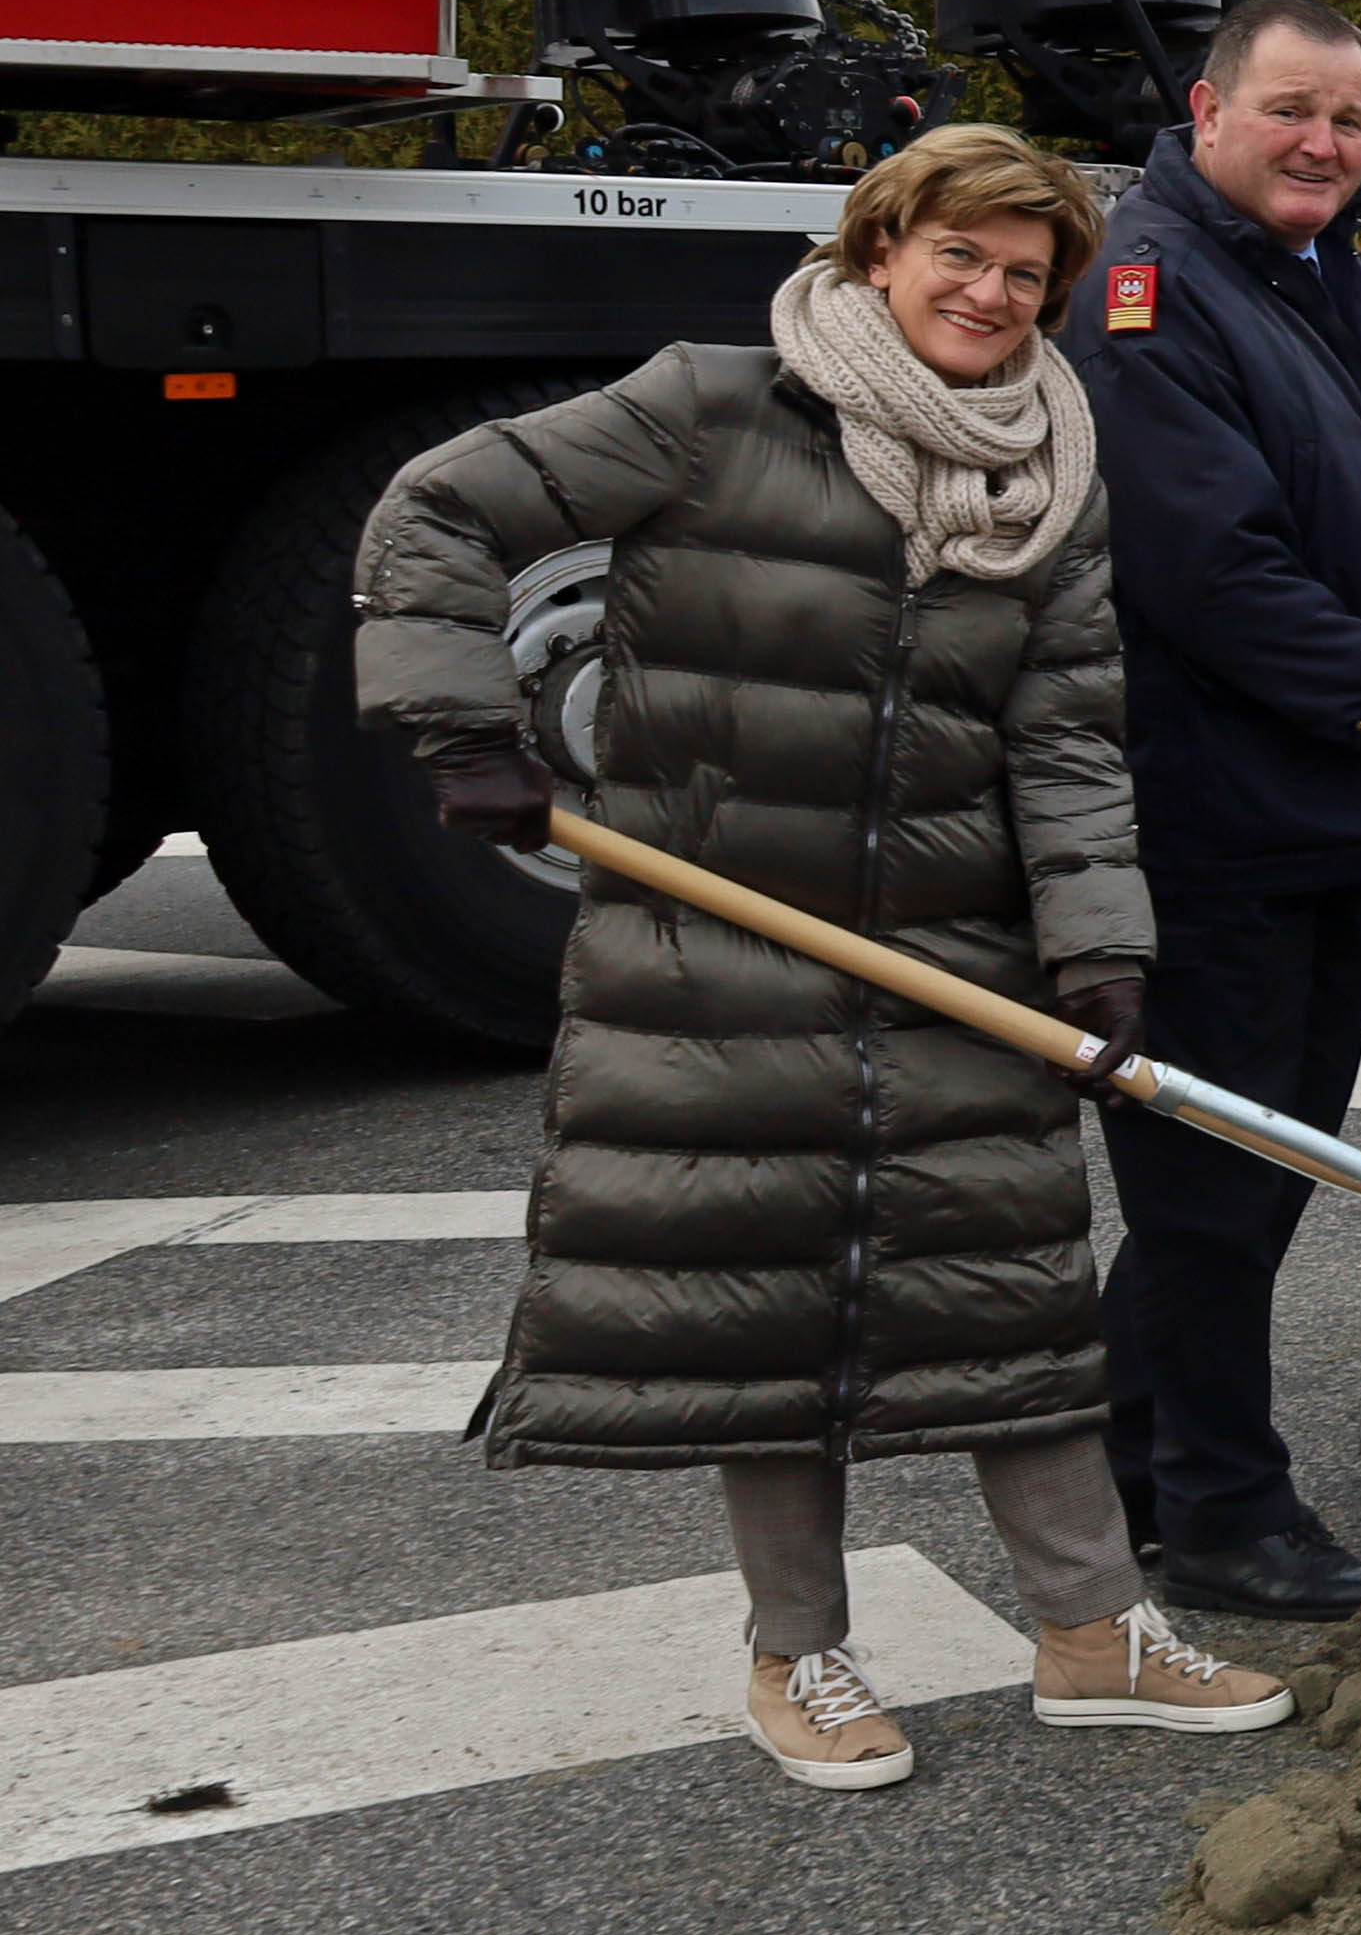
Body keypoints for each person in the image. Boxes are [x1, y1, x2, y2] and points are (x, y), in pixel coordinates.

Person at [351, 128, 1285, 1787]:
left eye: (1026, 274)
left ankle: (1091, 1632)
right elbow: (439, 508)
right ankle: (799, 1657)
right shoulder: (713, 404)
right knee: (761, 1302)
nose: (992, 294)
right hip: (719, 946)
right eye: (962, 257)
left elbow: (1066, 736)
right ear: (881, 249)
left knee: (1014, 1287)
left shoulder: (1055, 476)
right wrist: (457, 721)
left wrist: (1096, 946)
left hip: (955, 948)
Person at [1067, 0, 1361, 1614]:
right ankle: (1217, 1512)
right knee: (1214, 1184)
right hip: (1218, 821)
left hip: (1321, 811)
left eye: (1348, 121)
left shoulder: (1312, 263)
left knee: (1257, 1173)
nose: (1326, 146)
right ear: (1206, 113)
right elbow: (1212, 568)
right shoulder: (1146, 292)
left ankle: (1140, 1466)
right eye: (1292, 112)